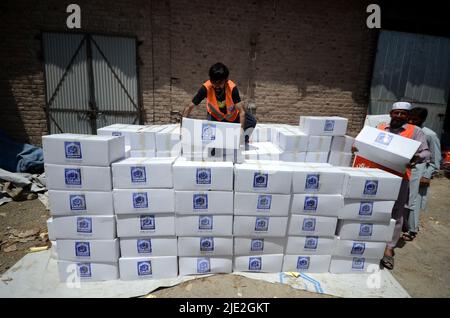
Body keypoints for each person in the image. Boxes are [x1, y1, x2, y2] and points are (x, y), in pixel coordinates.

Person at [375, 102, 430, 270]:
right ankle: (372, 241)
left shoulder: (415, 132)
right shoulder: (381, 128)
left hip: (400, 176)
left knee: (396, 212)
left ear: (407, 116)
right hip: (378, 174)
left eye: (403, 114)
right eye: (396, 113)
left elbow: (426, 152)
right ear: (391, 113)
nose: (399, 116)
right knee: (375, 208)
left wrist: (416, 158)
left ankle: (389, 248)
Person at [181, 62, 257, 144]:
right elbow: (189, 107)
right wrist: (182, 127)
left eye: (220, 83)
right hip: (215, 116)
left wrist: (241, 130)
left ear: (226, 81)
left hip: (231, 115)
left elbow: (241, 111)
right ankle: (214, 145)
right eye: (214, 82)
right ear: (211, 80)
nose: (216, 86)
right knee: (211, 141)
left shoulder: (232, 88)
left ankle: (242, 141)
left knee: (251, 121)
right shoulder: (206, 88)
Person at [404, 107, 441, 241]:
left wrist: (426, 175)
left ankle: (412, 230)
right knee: (404, 198)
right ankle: (403, 224)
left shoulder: (430, 135)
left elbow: (435, 160)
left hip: (420, 172)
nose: (412, 121)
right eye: (410, 118)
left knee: (415, 201)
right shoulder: (408, 131)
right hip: (406, 169)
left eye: (415, 119)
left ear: (423, 119)